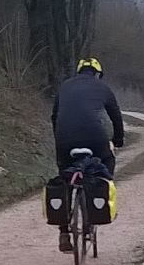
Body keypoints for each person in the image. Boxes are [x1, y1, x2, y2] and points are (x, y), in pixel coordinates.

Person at [50, 56, 124, 252]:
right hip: (95, 138)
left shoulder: (65, 86)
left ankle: (64, 232)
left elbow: (54, 116)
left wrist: (60, 140)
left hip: (65, 140)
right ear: (97, 74)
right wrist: (118, 141)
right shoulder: (103, 88)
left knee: (65, 178)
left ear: (79, 71)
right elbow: (116, 117)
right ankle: (95, 213)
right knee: (106, 163)